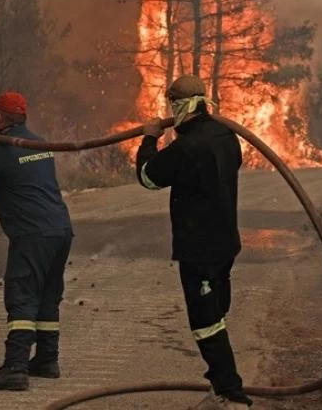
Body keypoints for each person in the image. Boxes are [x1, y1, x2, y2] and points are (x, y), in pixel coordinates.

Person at [136, 75, 254, 409]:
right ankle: (220, 386)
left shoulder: (187, 148)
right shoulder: (227, 136)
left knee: (205, 322)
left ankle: (232, 393)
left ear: (177, 106)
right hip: (226, 242)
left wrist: (148, 140)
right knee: (216, 311)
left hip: (199, 247)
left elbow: (147, 176)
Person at [0, 91, 74, 391]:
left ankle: (15, 368)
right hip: (60, 231)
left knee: (23, 296)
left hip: (32, 235)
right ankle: (47, 360)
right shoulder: (40, 144)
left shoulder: (1, 152)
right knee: (48, 294)